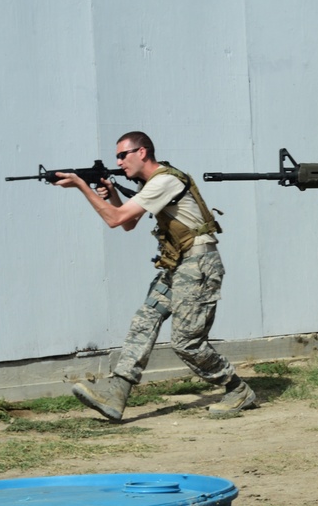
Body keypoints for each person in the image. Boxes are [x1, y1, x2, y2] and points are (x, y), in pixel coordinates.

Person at [57, 131, 257, 421]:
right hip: (178, 264)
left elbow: (116, 220)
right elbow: (128, 222)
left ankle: (237, 389)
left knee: (187, 342)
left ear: (142, 152)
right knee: (144, 321)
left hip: (198, 264)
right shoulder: (152, 183)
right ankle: (116, 393)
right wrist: (112, 194)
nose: (119, 161)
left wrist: (80, 185)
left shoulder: (165, 181)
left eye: (122, 155)